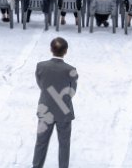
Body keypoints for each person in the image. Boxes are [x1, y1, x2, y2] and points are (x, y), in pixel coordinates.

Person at [32, 37, 78, 168]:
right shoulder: (71, 69)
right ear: (66, 51)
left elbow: (41, 84)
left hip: (45, 108)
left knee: (41, 142)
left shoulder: (40, 66)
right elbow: (72, 91)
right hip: (64, 111)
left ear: (51, 49)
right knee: (64, 144)